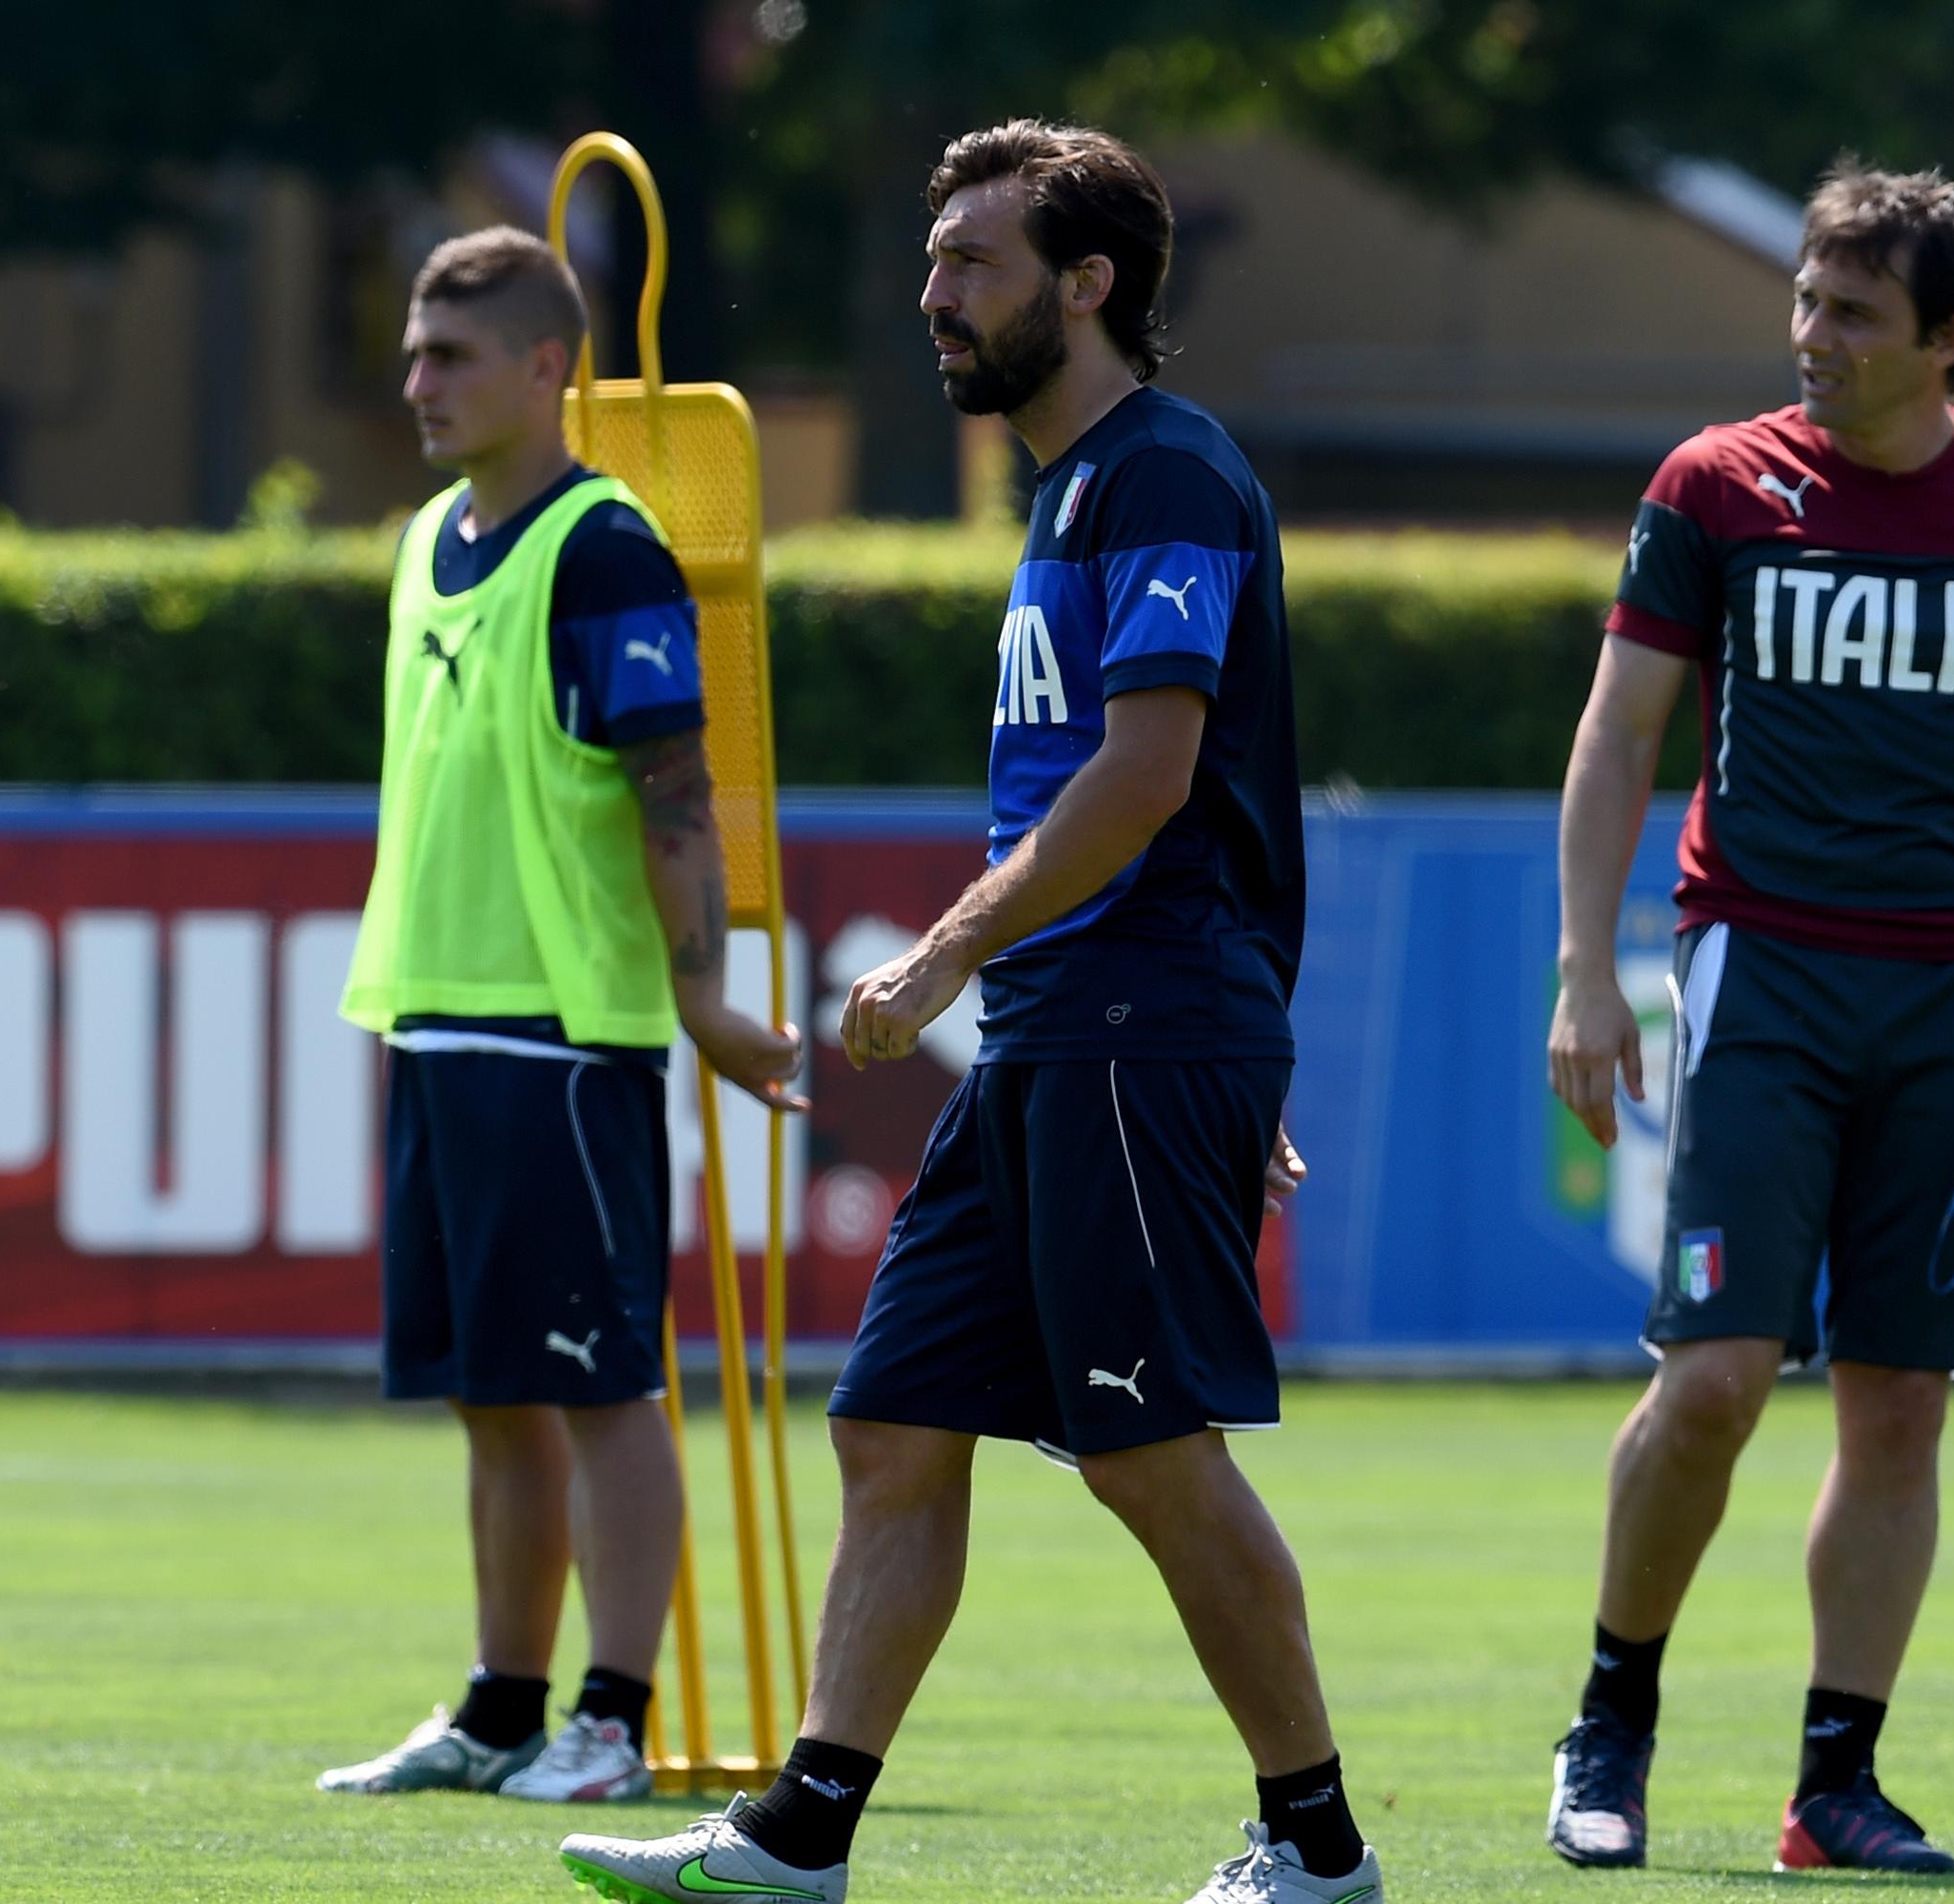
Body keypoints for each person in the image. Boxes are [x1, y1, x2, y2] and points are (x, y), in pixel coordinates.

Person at [557, 121, 1378, 1904]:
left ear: (1088, 287)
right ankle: (806, 1834)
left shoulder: (1163, 472)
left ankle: (1315, 1849)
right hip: (1085, 1034)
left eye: (973, 263)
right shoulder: (1069, 487)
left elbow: (1148, 778)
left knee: (1147, 1452)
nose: (934, 294)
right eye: (931, 262)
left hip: (1122, 1023)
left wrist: (947, 957)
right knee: (893, 1420)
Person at [1542, 159, 1954, 1875]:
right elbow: (1616, 739)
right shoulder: (1718, 485)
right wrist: (1587, 970)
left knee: (1903, 1406)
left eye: (1855, 314)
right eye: (1807, 300)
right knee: (1719, 1375)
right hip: (1765, 969)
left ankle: (1836, 1783)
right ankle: (1612, 1722)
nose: (1813, 336)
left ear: (1951, 338)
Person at [318, 227, 804, 1806]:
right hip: (437, 1017)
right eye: (411, 353)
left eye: (449, 356)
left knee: (602, 1383)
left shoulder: (607, 549)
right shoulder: (420, 541)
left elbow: (677, 784)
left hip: (566, 1030)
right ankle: (501, 1707)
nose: (416, 384)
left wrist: (706, 995)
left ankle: (611, 1713)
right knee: (489, 1387)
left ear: (548, 368)